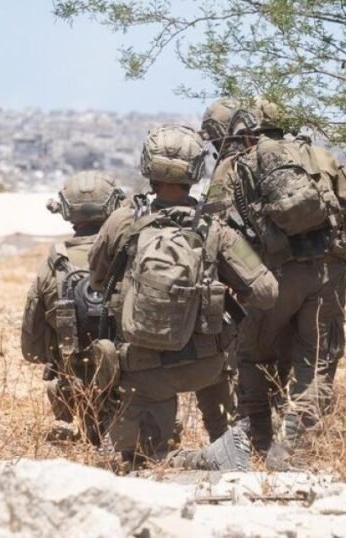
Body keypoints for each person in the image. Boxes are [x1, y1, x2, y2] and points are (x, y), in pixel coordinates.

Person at [88, 124, 278, 468]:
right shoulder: (216, 229)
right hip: (207, 364)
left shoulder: (121, 222)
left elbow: (97, 280)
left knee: (143, 460)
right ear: (195, 171)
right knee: (224, 401)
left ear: (148, 167)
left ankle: (193, 460)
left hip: (143, 367)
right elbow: (266, 292)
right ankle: (224, 446)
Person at [224, 99, 346, 464]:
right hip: (325, 274)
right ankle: (290, 449)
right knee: (316, 363)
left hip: (270, 276)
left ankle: (256, 441)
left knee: (252, 358)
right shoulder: (320, 157)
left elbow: (222, 230)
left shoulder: (238, 165)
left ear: (250, 130)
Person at [20, 170, 126, 445]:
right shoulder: (130, 256)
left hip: (78, 388)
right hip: (135, 385)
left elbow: (31, 349)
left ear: (66, 210)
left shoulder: (52, 267)